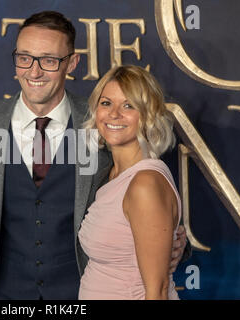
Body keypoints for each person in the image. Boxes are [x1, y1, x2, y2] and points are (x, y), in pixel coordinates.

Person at [0, 11, 188, 300]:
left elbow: (148, 201)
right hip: (3, 295)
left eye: (49, 60)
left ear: (72, 63)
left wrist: (177, 243)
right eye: (25, 58)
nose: (34, 71)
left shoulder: (101, 123)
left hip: (79, 292)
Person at [78, 65, 182, 300]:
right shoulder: (111, 174)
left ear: (147, 115)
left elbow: (158, 290)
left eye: (128, 106)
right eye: (106, 103)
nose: (114, 114)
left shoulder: (145, 183)